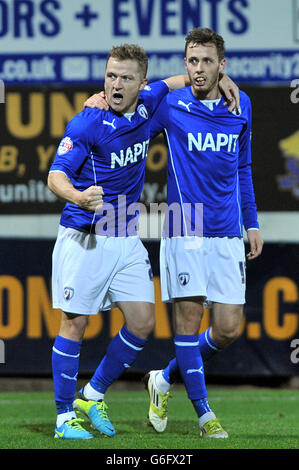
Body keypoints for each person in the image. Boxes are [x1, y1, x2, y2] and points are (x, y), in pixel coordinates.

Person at [83, 28, 263, 439]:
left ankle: (162, 380)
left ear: (223, 65)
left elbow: (243, 168)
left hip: (228, 230)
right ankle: (205, 415)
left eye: (207, 61)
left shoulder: (241, 105)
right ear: (185, 64)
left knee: (229, 329)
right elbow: (128, 117)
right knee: (187, 323)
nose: (199, 69)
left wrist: (251, 222)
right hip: (184, 228)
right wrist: (99, 106)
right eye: (192, 61)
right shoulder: (170, 104)